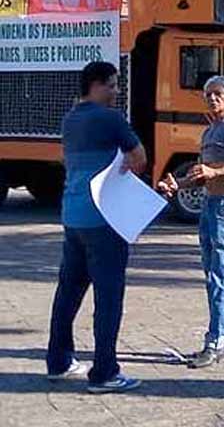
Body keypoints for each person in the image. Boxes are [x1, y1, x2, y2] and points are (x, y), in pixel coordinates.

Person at [47, 62, 148, 394]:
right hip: (104, 219)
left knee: (68, 291)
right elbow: (139, 157)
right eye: (113, 85)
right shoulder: (110, 119)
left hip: (73, 216)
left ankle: (59, 361)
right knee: (108, 297)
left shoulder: (70, 118)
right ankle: (104, 372)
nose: (117, 92)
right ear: (96, 85)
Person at [158, 76, 224, 368]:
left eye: (218, 94)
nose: (212, 99)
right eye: (208, 95)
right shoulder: (210, 131)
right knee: (212, 270)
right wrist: (177, 184)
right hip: (210, 203)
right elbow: (203, 173)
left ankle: (214, 341)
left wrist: (217, 174)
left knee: (220, 273)